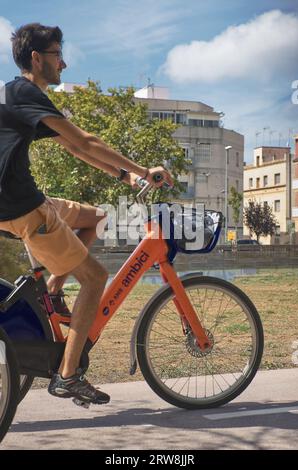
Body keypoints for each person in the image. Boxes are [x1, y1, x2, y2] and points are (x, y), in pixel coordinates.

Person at [0, 23, 173, 404]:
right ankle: (68, 375)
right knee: (95, 278)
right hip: (24, 208)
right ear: (36, 58)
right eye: (58, 54)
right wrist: (145, 172)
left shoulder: (21, 96)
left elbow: (75, 149)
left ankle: (52, 292)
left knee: (95, 217)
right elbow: (86, 140)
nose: (64, 63)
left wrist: (124, 176)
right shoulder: (23, 91)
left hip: (24, 201)